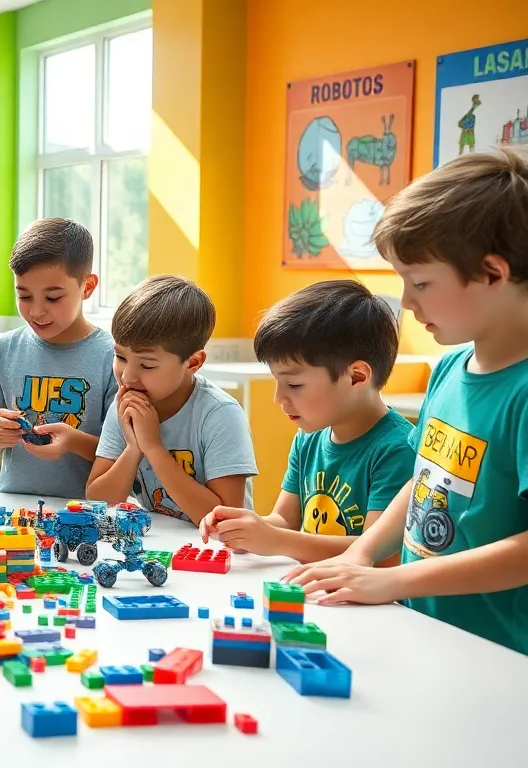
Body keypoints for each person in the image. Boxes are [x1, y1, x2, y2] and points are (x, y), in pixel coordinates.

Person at [286, 148, 528, 656]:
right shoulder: (448, 369)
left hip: (498, 652)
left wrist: (396, 581)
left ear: (492, 272)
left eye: (420, 283)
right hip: (425, 629)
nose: (408, 302)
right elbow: (424, 481)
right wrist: (361, 554)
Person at [199, 280, 414, 562]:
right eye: (277, 382)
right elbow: (283, 521)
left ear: (356, 376)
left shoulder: (398, 449)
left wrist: (274, 539)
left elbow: (376, 553)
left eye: (294, 385)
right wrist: (246, 529)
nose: (279, 398)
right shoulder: (309, 437)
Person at [86, 275, 256, 525]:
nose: (128, 376)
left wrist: (153, 447)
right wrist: (134, 449)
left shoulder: (220, 414)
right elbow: (98, 499)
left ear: (193, 363)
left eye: (146, 365)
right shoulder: (125, 404)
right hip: (163, 547)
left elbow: (225, 520)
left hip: (219, 552)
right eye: (120, 357)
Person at [0, 218, 118, 499]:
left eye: (53, 298)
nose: (37, 311)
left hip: (85, 510)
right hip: (13, 506)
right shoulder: (4, 348)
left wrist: (74, 442)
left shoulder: (113, 356)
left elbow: (123, 454)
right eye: (24, 296)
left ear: (87, 286)